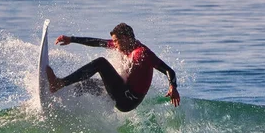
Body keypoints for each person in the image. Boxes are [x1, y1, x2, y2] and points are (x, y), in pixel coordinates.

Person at [46, 23, 180, 112]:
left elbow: (169, 70)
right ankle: (60, 98)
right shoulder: (125, 46)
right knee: (88, 84)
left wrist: (173, 86)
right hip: (123, 89)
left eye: (116, 41)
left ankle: (59, 83)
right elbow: (98, 42)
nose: (114, 44)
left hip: (128, 100)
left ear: (126, 38)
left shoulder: (142, 53)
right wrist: (71, 39)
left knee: (100, 63)